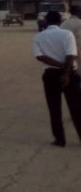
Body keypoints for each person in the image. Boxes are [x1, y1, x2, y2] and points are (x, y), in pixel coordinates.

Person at [33, 10, 81, 147]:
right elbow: (71, 54)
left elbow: (40, 56)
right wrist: (66, 73)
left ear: (46, 21)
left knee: (54, 109)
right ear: (60, 21)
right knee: (77, 108)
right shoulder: (67, 34)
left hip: (50, 75)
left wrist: (59, 66)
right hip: (70, 74)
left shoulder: (39, 36)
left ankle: (60, 140)